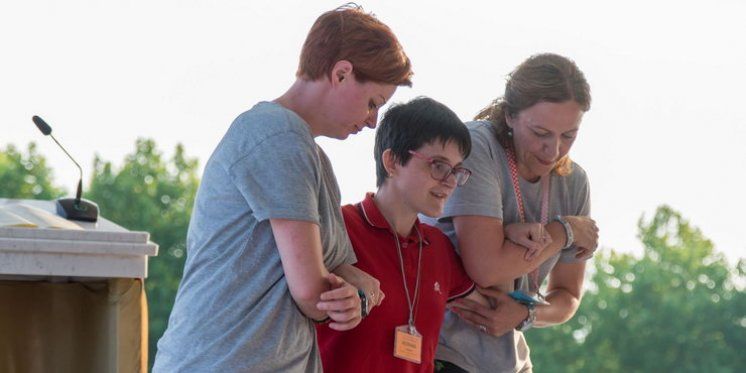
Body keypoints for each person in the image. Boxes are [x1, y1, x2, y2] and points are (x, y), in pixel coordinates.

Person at [152, 5, 412, 372]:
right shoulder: (278, 135)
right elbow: (313, 293)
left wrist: (356, 289)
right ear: (341, 73)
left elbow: (338, 269)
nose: (373, 122)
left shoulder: (312, 155)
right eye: (373, 103)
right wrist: (355, 296)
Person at [424, 53, 600, 373]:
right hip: (441, 353)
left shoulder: (574, 182)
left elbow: (568, 296)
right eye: (541, 133)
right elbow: (486, 269)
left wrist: (525, 315)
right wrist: (564, 232)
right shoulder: (476, 145)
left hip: (510, 362)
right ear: (509, 116)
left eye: (569, 135)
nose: (554, 150)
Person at [316, 97, 477, 373]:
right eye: (438, 165)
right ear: (391, 161)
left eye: (457, 170)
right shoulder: (337, 226)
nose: (450, 181)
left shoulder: (439, 246)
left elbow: (489, 302)